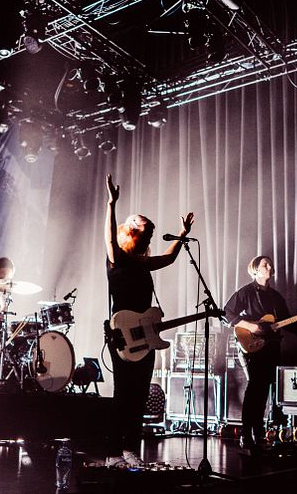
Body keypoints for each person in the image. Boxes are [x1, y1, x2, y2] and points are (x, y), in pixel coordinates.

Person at [104, 174, 194, 468]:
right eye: (143, 224)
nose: (148, 229)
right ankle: (114, 451)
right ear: (130, 230)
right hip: (121, 333)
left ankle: (130, 448)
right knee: (123, 393)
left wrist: (182, 234)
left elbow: (168, 259)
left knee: (140, 393)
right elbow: (108, 236)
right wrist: (111, 204)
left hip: (146, 333)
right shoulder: (117, 257)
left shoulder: (143, 264)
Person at [223, 255, 297, 455]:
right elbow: (227, 313)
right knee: (255, 388)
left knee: (264, 390)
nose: (270, 266)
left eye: (270, 264)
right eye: (265, 264)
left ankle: (258, 434)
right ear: (255, 270)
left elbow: (286, 320)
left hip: (272, 347)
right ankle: (246, 436)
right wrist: (250, 326)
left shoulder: (275, 297)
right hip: (252, 346)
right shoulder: (245, 293)